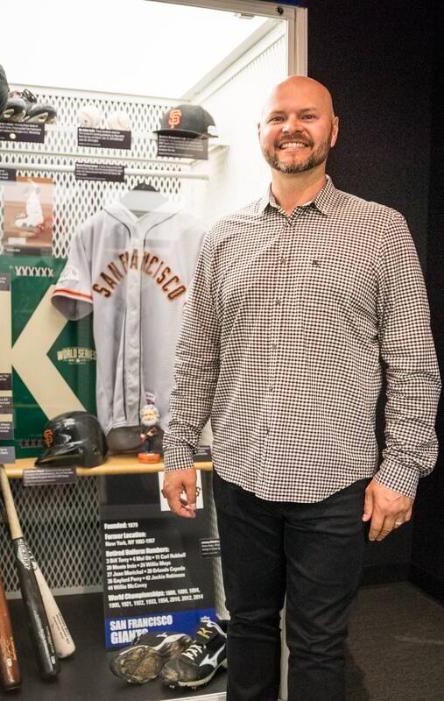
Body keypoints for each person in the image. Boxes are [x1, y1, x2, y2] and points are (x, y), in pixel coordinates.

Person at [161, 75, 441, 701]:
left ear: (332, 130)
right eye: (277, 116)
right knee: (251, 629)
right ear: (261, 133)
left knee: (318, 646)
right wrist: (179, 449)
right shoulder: (223, 238)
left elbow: (413, 361)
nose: (292, 127)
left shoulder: (381, 231)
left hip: (336, 481)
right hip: (241, 476)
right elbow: (197, 355)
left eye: (307, 116)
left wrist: (403, 470)